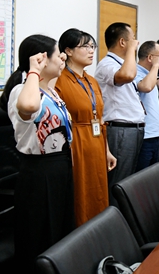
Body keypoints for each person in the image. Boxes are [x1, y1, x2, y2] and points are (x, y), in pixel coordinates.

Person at [0, 35, 74, 272]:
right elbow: (29, 107)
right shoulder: (22, 91)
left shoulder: (49, 90)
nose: (62, 59)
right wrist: (33, 70)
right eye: (58, 55)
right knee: (40, 235)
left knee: (60, 229)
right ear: (42, 60)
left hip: (59, 167)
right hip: (39, 173)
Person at [55, 28, 117, 226]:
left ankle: (99, 231)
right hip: (76, 143)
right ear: (68, 51)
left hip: (97, 142)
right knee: (80, 193)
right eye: (85, 46)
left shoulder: (91, 81)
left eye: (92, 46)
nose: (91, 51)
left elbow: (99, 117)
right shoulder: (59, 80)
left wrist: (107, 150)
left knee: (98, 189)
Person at [94, 22, 144, 203]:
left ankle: (124, 214)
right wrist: (131, 50)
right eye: (133, 39)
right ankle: (114, 215)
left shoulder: (123, 63)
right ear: (123, 42)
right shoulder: (107, 64)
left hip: (133, 129)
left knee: (128, 180)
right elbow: (127, 76)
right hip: (120, 129)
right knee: (119, 181)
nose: (136, 42)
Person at [134, 41, 159, 171]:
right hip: (145, 135)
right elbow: (146, 87)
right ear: (150, 58)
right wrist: (156, 66)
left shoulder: (150, 73)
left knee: (153, 173)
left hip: (155, 132)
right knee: (142, 174)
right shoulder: (136, 72)